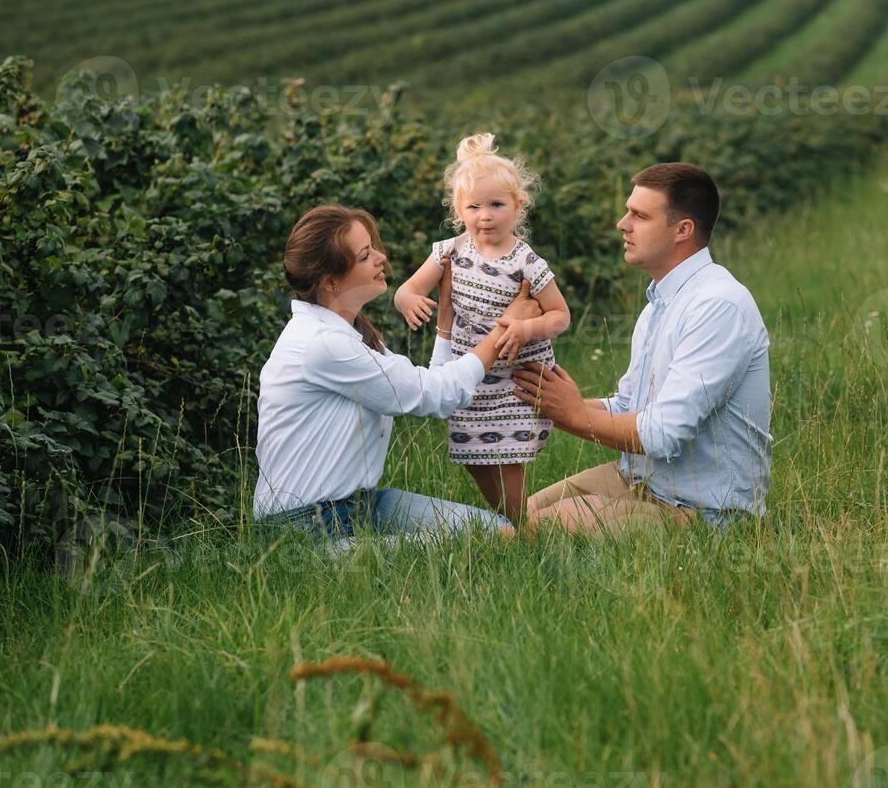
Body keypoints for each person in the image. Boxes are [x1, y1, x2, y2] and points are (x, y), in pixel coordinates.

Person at [511, 162, 772, 534]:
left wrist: (571, 413)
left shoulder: (718, 305)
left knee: (542, 527)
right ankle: (406, 541)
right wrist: (544, 401)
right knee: (514, 516)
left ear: (683, 230)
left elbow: (662, 434)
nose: (623, 223)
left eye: (639, 215)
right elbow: (630, 407)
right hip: (638, 482)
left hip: (703, 512)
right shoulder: (658, 305)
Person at [252, 204, 539, 540]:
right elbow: (438, 395)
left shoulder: (349, 332)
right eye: (364, 256)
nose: (380, 259)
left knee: (498, 532)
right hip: (306, 525)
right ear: (330, 282)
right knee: (492, 541)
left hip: (363, 505)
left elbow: (431, 388)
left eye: (373, 247)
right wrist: (504, 329)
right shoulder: (323, 344)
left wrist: (445, 323)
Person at [393, 133, 571, 525]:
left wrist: (528, 329)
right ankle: (514, 522)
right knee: (473, 458)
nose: (485, 216)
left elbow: (561, 315)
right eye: (473, 207)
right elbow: (408, 288)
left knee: (508, 460)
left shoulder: (526, 261)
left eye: (496, 205)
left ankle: (524, 529)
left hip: (513, 377)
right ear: (459, 209)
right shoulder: (449, 251)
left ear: (517, 206)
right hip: (470, 372)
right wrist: (408, 300)